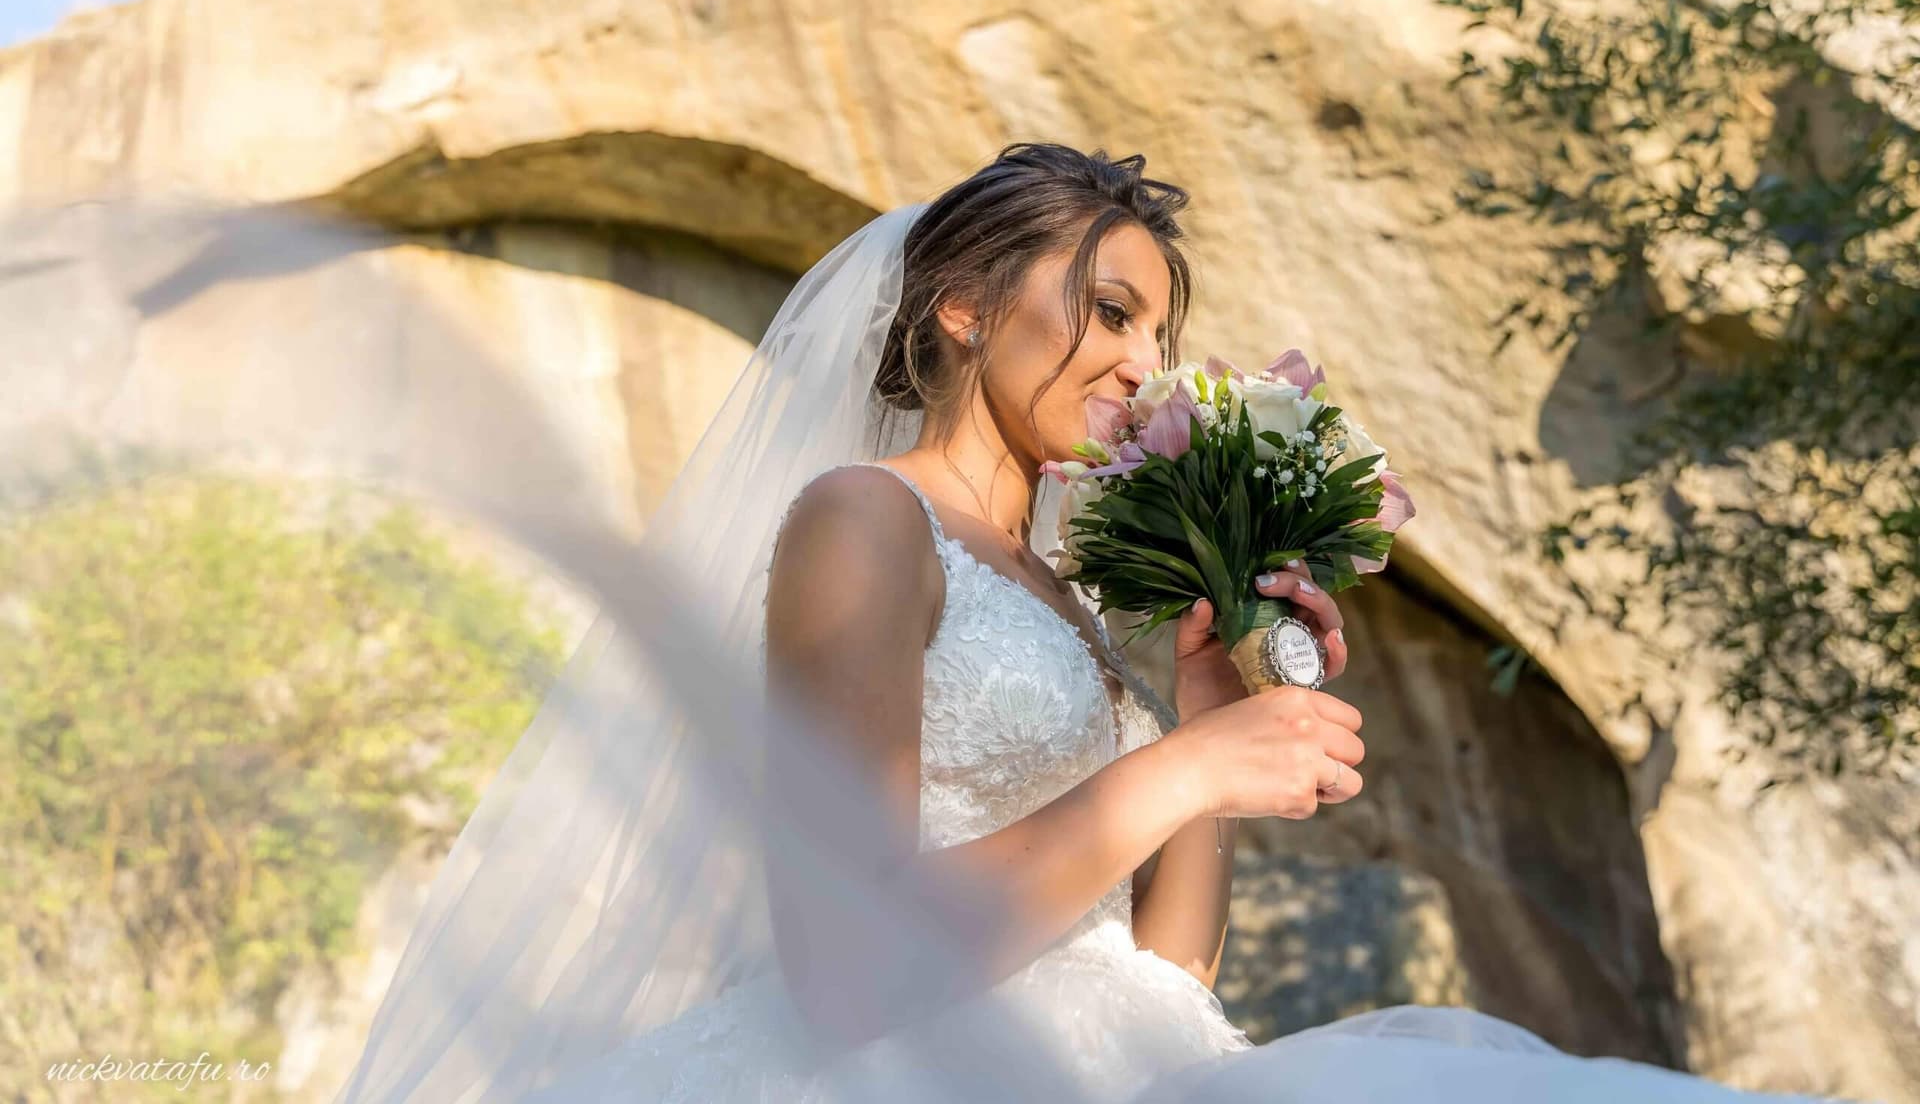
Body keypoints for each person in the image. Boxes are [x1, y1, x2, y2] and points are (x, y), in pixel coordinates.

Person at [335, 143, 1847, 1103]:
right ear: (964, 309)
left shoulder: (1062, 586)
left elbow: (1165, 974)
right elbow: (848, 968)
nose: (1144, 364)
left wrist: (1198, 721)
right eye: (1111, 310)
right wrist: (1182, 772)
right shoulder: (865, 523)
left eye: (1162, 333)